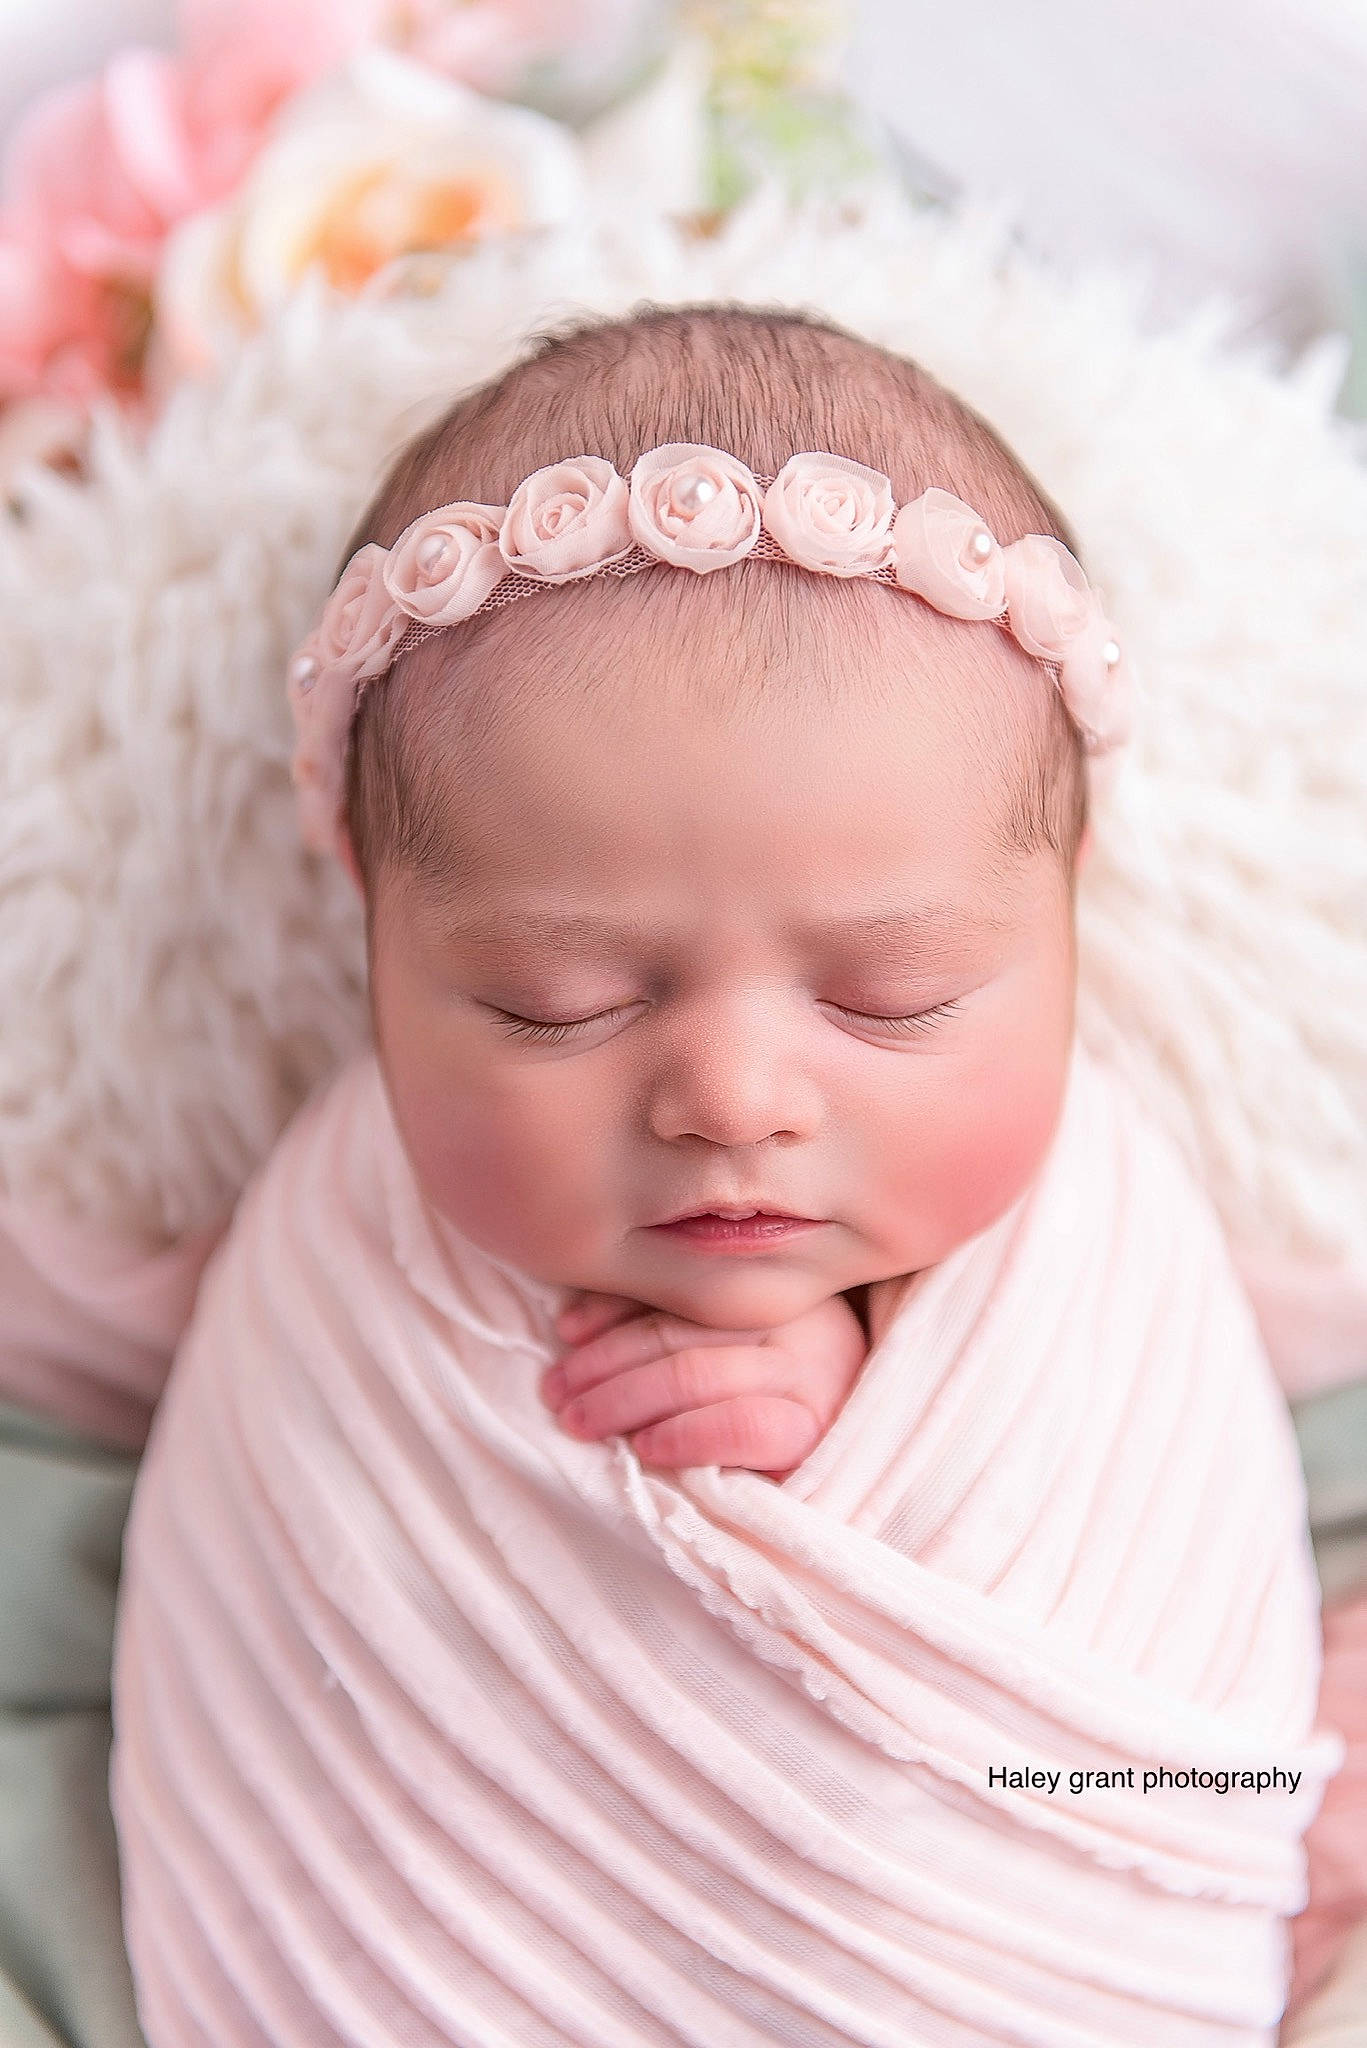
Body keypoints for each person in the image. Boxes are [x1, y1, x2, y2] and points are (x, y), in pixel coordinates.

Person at [106, 303, 1345, 2046]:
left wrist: (860, 1403)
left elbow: (1173, 1741)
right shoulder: (336, 1249)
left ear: (1067, 920)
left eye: (889, 998)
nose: (733, 1099)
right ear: (373, 938)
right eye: (562, 1003)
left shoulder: (1108, 1258)